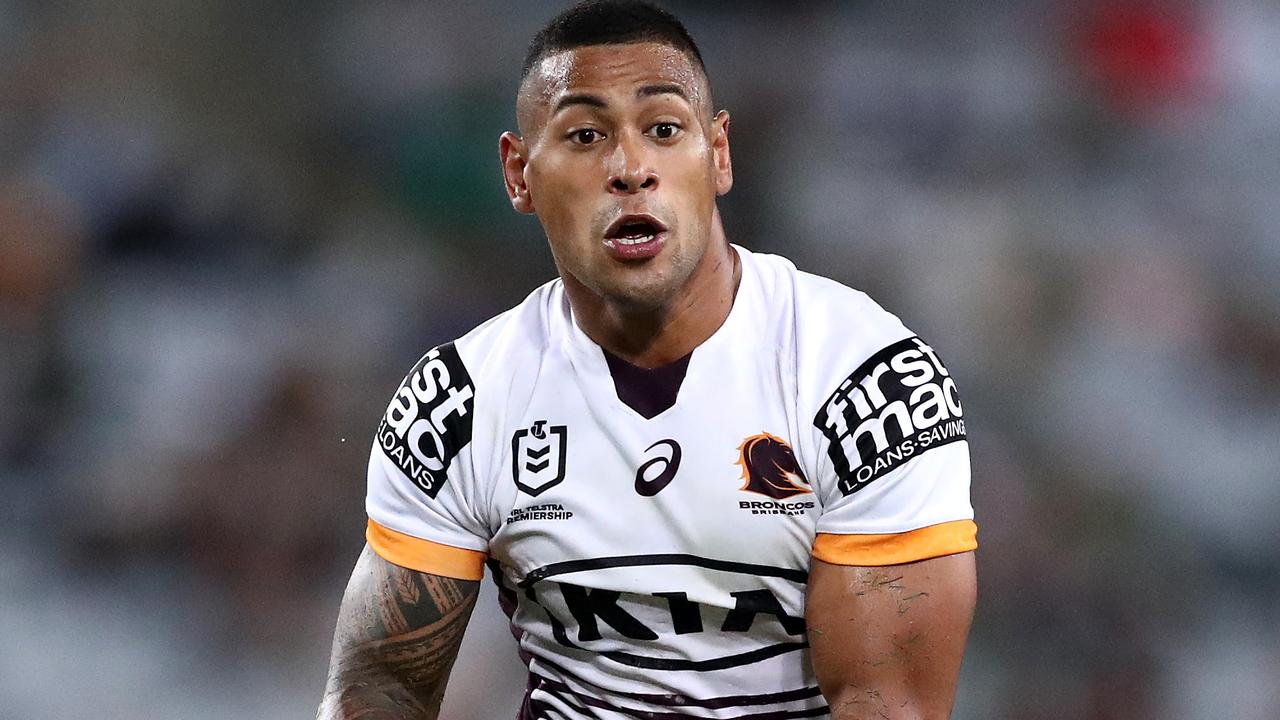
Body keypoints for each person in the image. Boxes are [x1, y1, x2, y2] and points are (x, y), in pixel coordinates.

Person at [317, 1, 977, 718]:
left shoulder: (867, 381)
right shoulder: (459, 404)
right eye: (584, 135)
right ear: (518, 174)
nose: (630, 168)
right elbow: (382, 689)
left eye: (664, 130)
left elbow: (889, 703)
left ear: (718, 154)